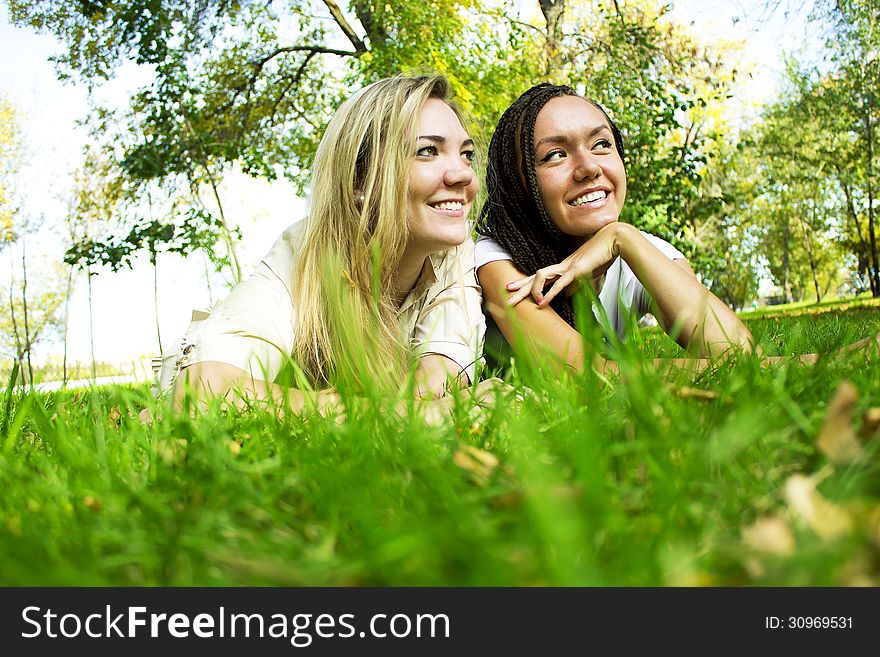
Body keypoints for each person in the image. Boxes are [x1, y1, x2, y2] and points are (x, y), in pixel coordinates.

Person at [165, 75, 486, 414]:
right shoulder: (301, 254)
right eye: (427, 151)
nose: (463, 174)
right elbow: (201, 389)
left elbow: (442, 370)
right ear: (359, 179)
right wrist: (413, 414)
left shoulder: (453, 248)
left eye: (466, 154)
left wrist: (423, 405)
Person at [476, 82, 753, 373]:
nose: (589, 168)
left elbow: (740, 353)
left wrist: (621, 236)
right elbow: (586, 377)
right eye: (555, 154)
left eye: (601, 144)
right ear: (518, 184)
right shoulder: (496, 257)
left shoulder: (641, 250)